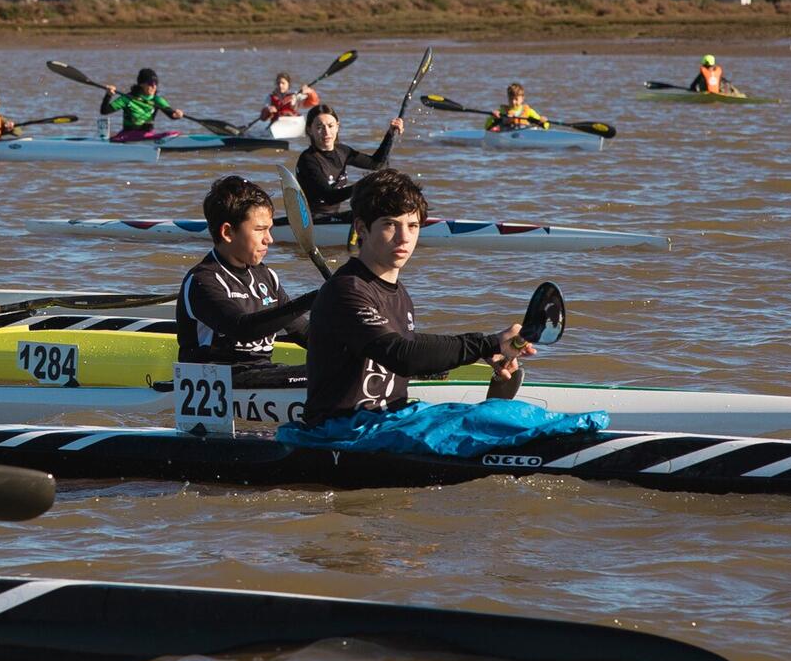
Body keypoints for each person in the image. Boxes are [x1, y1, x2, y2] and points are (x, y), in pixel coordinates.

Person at [301, 170, 530, 427]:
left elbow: (406, 343)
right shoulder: (346, 290)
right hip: (339, 432)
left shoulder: (401, 295)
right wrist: (487, 344)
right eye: (390, 224)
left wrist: (485, 351)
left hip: (388, 423)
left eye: (412, 226)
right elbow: (401, 355)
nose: (404, 238)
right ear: (361, 228)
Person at [178, 176, 315, 386]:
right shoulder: (202, 281)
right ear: (227, 232)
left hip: (260, 373)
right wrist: (311, 299)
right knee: (324, 376)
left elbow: (303, 333)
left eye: (269, 229)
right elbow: (241, 328)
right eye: (260, 229)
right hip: (218, 380)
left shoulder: (266, 276)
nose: (269, 239)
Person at [296, 104, 403, 218]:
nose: (326, 132)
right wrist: (365, 185)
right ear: (309, 130)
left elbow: (377, 164)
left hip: (332, 217)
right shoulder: (308, 160)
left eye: (330, 126)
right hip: (310, 221)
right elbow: (329, 197)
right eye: (319, 127)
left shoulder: (343, 151)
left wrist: (390, 134)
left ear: (337, 127)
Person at [100, 68, 188, 142]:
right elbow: (104, 111)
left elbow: (171, 115)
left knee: (174, 133)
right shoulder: (127, 98)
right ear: (141, 84)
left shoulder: (156, 100)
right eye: (151, 83)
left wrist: (177, 115)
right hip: (127, 136)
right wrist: (108, 95)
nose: (154, 87)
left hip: (147, 135)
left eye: (156, 84)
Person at [485, 83, 549, 131]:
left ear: (522, 99)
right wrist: (492, 118)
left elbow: (546, 126)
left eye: (516, 99)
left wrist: (543, 122)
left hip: (524, 136)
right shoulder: (502, 111)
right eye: (511, 99)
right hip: (506, 136)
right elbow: (486, 127)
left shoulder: (529, 111)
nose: (513, 102)